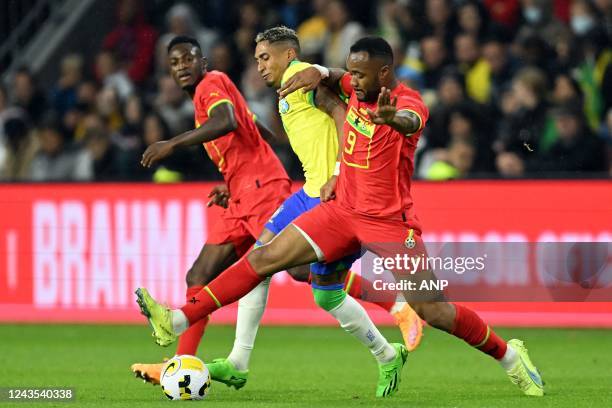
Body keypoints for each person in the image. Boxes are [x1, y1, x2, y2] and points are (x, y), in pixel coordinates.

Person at [136, 37, 544, 398]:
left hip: (388, 223)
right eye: (351, 73)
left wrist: (391, 119)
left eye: (362, 75)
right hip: (340, 212)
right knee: (265, 260)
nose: (354, 82)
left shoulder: (407, 102)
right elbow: (334, 80)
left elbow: (412, 120)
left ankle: (509, 356)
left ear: (384, 72)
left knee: (433, 311)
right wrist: (320, 70)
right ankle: (177, 318)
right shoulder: (353, 84)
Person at [204, 26, 423, 392]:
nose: (259, 65)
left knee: (314, 287)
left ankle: (388, 347)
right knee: (268, 264)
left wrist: (338, 173)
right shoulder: (287, 89)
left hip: (329, 195)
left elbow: (342, 115)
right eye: (256, 58)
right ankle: (238, 361)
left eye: (265, 57)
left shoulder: (302, 78)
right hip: (307, 190)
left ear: (289, 54)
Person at [131, 35, 292, 384]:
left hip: (261, 190)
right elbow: (249, 123)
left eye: (187, 59)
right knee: (199, 276)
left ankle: (395, 306)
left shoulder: (211, 83)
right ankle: (180, 364)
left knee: (303, 270)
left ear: (201, 61)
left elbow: (228, 121)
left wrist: (171, 143)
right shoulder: (210, 93)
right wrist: (233, 181)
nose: (181, 67)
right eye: (174, 64)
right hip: (242, 195)